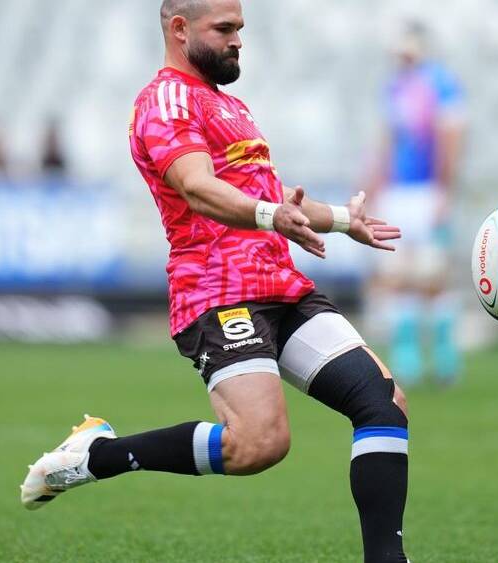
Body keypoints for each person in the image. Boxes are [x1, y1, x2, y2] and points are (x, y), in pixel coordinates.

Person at [21, 2, 410, 561]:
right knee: (259, 444)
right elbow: (198, 187)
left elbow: (269, 197)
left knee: (383, 401)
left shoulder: (229, 105)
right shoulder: (166, 100)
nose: (237, 41)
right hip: (219, 291)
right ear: (180, 29)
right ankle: (97, 456)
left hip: (280, 284)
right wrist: (270, 215)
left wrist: (345, 220)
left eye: (240, 29)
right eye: (224, 29)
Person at [365, 21, 466, 386]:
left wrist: (444, 190)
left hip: (426, 190)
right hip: (397, 192)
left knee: (432, 275)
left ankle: (443, 355)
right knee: (397, 275)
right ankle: (406, 356)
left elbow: (451, 139)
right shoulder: (394, 86)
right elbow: (386, 142)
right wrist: (373, 187)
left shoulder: (441, 84)